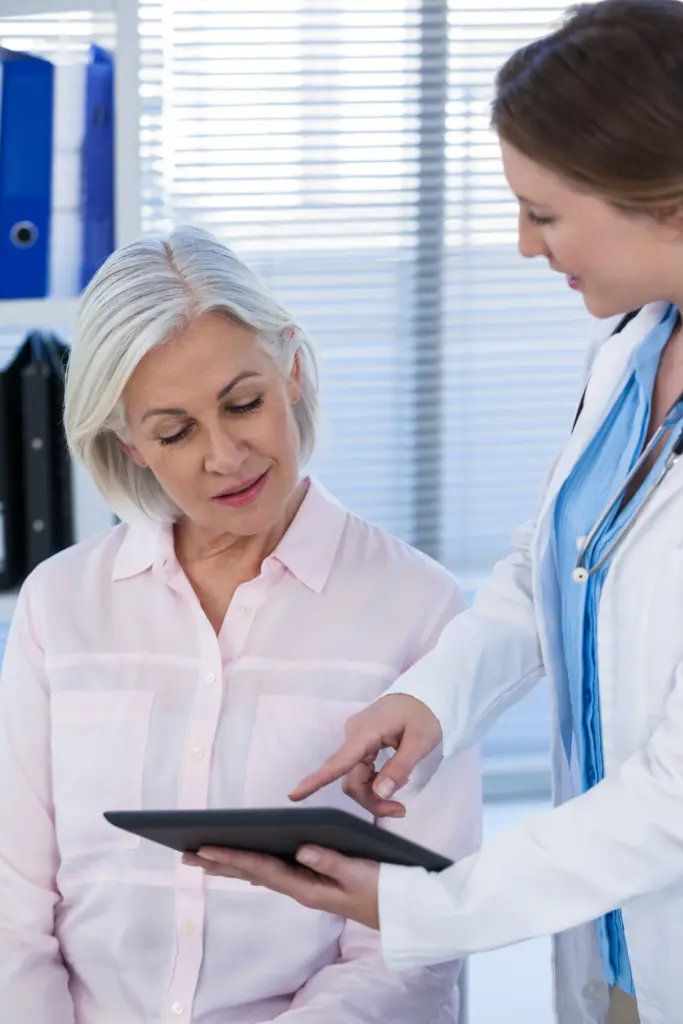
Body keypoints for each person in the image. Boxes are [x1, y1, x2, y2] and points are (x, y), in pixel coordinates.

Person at [183, 2, 683, 1023]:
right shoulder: (635, 348)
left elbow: (671, 801)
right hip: (616, 945)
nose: (519, 245)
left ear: (666, 199)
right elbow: (554, 562)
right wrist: (432, 700)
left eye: (542, 213)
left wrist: (426, 907)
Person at [0, 227, 481, 1022]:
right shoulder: (62, 605)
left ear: (290, 369)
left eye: (243, 403)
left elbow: (415, 926)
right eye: (175, 431)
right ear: (130, 443)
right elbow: (13, 902)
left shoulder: (414, 605)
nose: (225, 455)